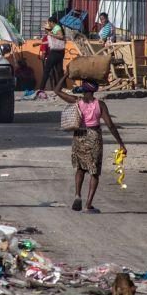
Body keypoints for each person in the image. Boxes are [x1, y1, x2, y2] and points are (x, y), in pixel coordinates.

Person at [52, 74, 126, 214]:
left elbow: (56, 90)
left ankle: (77, 195)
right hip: (94, 137)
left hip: (79, 136)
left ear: (83, 88)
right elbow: (110, 125)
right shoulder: (100, 104)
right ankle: (88, 205)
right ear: (95, 89)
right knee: (94, 172)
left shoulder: (77, 101)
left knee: (80, 168)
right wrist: (121, 143)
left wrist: (65, 75)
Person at [38, 16, 66, 91]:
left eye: (49, 23)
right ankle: (63, 87)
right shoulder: (56, 28)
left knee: (47, 70)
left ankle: (41, 88)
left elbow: (61, 36)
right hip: (60, 52)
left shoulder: (56, 28)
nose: (48, 24)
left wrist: (51, 34)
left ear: (51, 22)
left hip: (55, 52)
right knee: (59, 71)